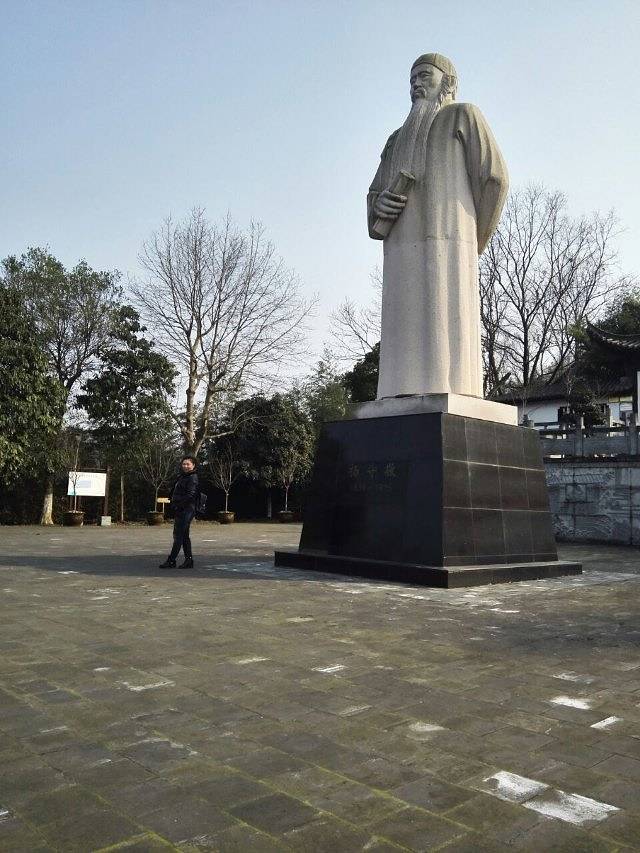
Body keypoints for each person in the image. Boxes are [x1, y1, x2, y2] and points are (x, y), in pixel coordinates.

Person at [368, 53, 508, 400]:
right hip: (401, 252)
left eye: (424, 75)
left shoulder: (463, 115)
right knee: (403, 330)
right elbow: (374, 193)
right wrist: (378, 204)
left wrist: (473, 239)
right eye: (411, 78)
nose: (416, 83)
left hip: (451, 245)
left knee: (449, 334)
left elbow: (495, 178)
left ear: (448, 82)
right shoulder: (394, 139)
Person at [159, 455, 199, 569]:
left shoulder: (192, 477)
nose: (185, 466)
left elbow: (191, 495)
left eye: (188, 464)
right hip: (182, 509)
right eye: (183, 464)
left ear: (193, 465)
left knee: (178, 536)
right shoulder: (183, 476)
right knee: (184, 536)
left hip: (186, 509)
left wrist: (179, 505)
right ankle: (189, 560)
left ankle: (171, 560)